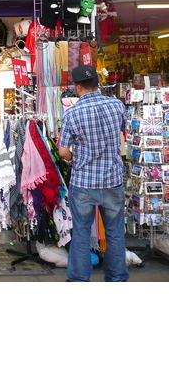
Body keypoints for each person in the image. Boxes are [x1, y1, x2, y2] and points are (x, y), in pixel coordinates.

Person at [58, 65, 129, 282]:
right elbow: (123, 131)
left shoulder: (72, 113)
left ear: (78, 87)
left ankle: (79, 280)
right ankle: (116, 278)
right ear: (97, 84)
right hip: (112, 180)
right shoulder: (117, 105)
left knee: (80, 233)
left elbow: (63, 152)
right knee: (115, 232)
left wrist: (72, 158)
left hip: (83, 182)